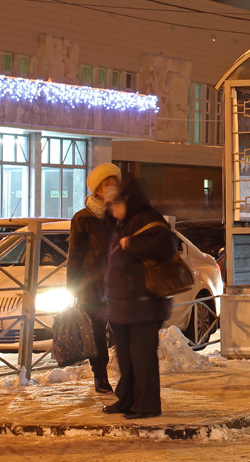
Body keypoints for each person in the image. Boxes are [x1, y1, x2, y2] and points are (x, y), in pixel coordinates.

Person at [101, 177, 176, 420]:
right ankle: (128, 399)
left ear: (128, 201)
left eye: (114, 204)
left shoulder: (146, 217)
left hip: (145, 303)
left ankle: (147, 404)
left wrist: (132, 243)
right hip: (123, 303)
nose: (112, 209)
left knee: (141, 355)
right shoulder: (122, 222)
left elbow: (166, 246)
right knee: (126, 355)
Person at [67, 163, 120, 394]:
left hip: (119, 284)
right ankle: (100, 377)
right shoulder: (82, 218)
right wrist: (73, 287)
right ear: (98, 190)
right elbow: (75, 255)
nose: (113, 189)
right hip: (92, 285)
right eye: (108, 185)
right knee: (97, 333)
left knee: (123, 329)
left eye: (115, 184)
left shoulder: (121, 215)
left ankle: (129, 376)